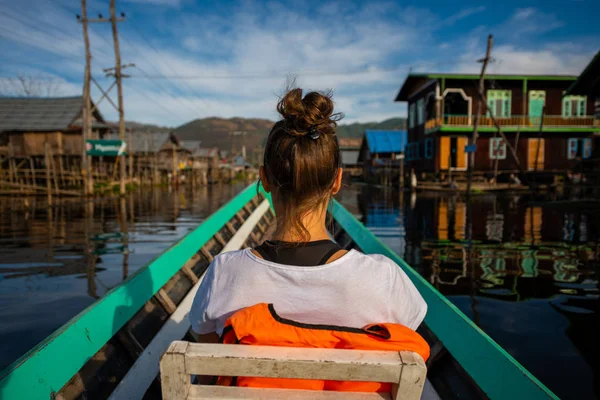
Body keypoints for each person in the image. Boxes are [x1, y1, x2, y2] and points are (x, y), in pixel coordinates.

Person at [189, 88, 427, 347]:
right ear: (337, 181)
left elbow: (208, 367)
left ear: (265, 179)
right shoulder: (385, 278)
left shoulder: (225, 273)